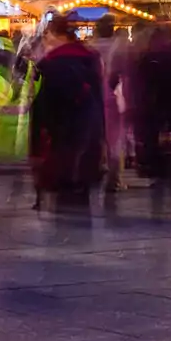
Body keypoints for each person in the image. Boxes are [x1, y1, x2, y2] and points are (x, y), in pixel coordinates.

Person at [27, 13, 107, 214]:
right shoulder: (90, 60)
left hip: (60, 142)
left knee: (65, 203)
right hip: (89, 138)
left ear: (54, 35)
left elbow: (43, 109)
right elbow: (98, 101)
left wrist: (35, 146)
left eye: (46, 37)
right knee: (81, 198)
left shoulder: (52, 66)